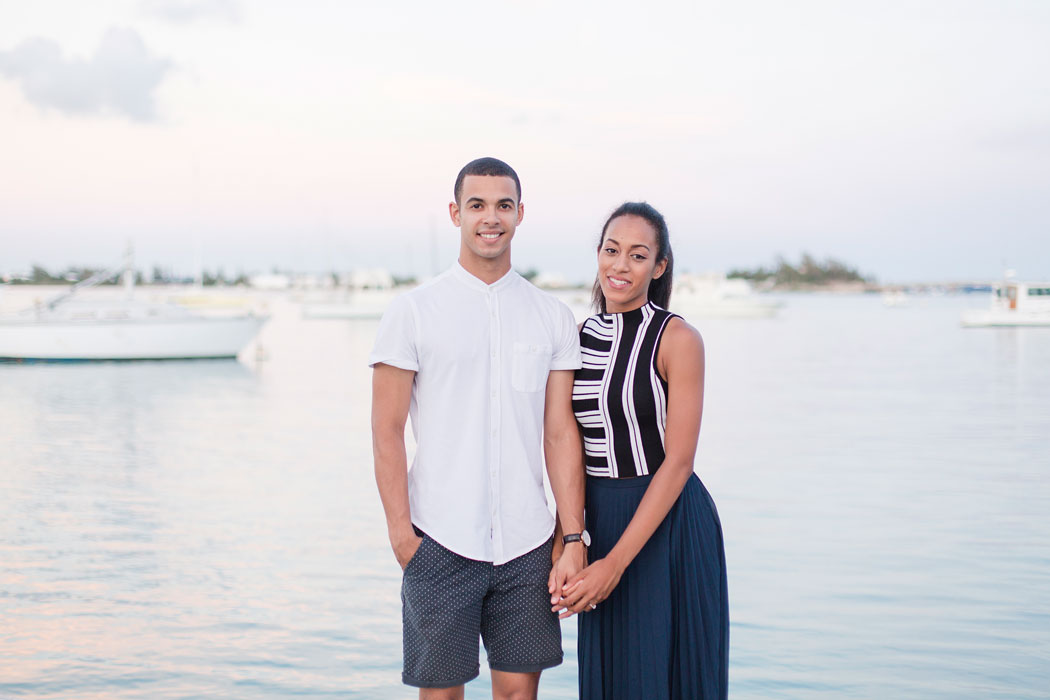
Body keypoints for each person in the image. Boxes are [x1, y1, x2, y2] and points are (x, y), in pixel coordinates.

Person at [369, 157, 587, 700]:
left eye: (503, 205)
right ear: (455, 213)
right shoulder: (413, 312)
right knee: (441, 695)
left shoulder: (552, 316)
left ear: (519, 214)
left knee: (518, 694)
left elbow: (559, 434)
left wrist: (571, 534)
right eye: (477, 205)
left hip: (529, 542)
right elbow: (386, 429)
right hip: (438, 539)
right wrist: (402, 534)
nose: (491, 217)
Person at [553, 202, 729, 699]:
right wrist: (568, 537)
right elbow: (566, 441)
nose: (620, 266)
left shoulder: (678, 338)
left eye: (637, 255)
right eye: (612, 251)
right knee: (612, 679)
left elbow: (679, 462)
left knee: (669, 675)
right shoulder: (576, 338)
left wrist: (615, 564)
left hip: (669, 520)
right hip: (601, 517)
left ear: (659, 266)